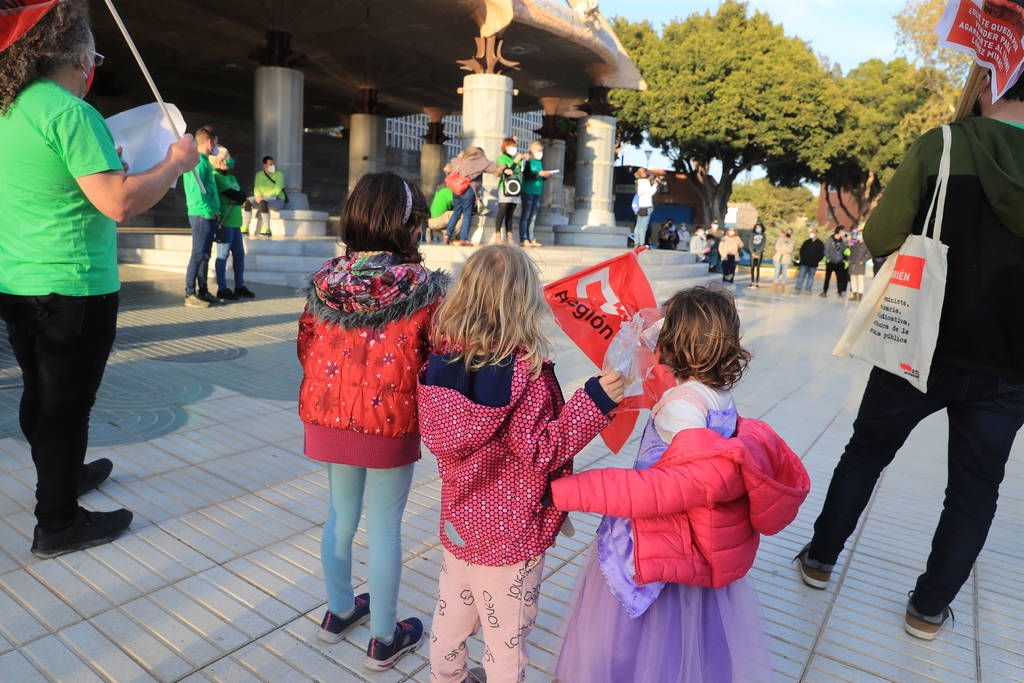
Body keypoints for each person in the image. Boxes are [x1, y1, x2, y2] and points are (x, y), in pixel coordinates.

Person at [796, 73, 1024, 641]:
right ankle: (928, 608)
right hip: (1012, 366)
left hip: (919, 344)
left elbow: (880, 236)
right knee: (975, 490)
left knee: (867, 452)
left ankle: (821, 559)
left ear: (990, 77)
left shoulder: (944, 144)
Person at [0, 0, 199, 558]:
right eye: (96, 57)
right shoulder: (69, 113)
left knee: (42, 394)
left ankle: (60, 477)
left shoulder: (10, 109)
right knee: (66, 404)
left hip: (18, 282)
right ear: (80, 56)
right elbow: (118, 202)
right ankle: (57, 522)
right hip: (74, 287)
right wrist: (175, 163)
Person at [552, 287, 808, 683]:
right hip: (699, 540)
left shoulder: (681, 406)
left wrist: (572, 491)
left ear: (676, 342)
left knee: (638, 636)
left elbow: (675, 484)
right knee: (688, 638)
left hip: (658, 541)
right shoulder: (719, 394)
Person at [419, 245, 625, 683]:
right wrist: (596, 401)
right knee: (506, 639)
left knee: (451, 617)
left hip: (460, 523)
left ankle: (446, 678)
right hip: (512, 533)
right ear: (523, 302)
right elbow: (542, 450)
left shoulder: (440, 364)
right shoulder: (521, 376)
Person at [298, 172, 448, 669]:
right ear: (407, 226)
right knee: (385, 527)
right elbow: (440, 356)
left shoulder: (325, 280)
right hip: (390, 422)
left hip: (329, 418)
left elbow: (305, 345)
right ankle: (384, 637)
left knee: (340, 516)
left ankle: (340, 609)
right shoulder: (424, 289)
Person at [183, 126, 221, 307]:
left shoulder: (204, 161)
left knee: (205, 255)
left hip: (208, 215)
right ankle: (190, 293)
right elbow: (196, 193)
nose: (216, 145)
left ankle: (203, 291)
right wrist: (208, 211)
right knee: (198, 254)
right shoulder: (197, 162)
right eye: (214, 142)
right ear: (209, 142)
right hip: (201, 215)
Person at [210, 146, 254, 300]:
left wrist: (238, 197)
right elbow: (234, 195)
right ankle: (222, 288)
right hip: (225, 221)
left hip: (236, 222)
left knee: (239, 255)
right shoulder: (216, 176)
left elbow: (241, 195)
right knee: (222, 255)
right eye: (228, 156)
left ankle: (239, 286)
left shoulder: (232, 178)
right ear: (220, 160)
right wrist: (238, 197)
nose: (231, 159)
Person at [444, 147, 500, 246]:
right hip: (467, 189)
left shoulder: (461, 159)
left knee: (456, 212)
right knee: (467, 214)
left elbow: (449, 168)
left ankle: (447, 235)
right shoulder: (479, 160)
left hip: (456, 189)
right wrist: (502, 167)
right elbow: (493, 168)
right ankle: (463, 239)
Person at [519, 140, 552, 247]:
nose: (540, 153)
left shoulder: (539, 163)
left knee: (533, 216)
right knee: (526, 215)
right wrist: (538, 174)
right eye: (539, 150)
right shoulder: (528, 162)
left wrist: (545, 175)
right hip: (528, 191)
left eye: (542, 151)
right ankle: (523, 238)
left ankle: (531, 238)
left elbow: (539, 177)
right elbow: (527, 175)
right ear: (532, 150)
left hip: (537, 192)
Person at [243, 155, 285, 238]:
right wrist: (258, 196)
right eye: (270, 164)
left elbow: (277, 189)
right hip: (262, 198)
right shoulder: (259, 175)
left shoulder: (279, 174)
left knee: (263, 201)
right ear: (264, 165)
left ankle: (267, 230)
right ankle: (245, 228)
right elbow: (256, 188)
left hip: (277, 200)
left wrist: (264, 196)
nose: (272, 166)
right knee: (248, 201)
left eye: (273, 164)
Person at [494, 137, 522, 244]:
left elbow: (522, 171)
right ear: (505, 147)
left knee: (510, 213)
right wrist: (515, 161)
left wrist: (522, 161)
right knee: (502, 211)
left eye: (515, 146)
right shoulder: (502, 158)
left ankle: (510, 236)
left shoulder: (517, 159)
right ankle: (498, 235)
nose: (514, 148)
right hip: (505, 188)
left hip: (516, 188)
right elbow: (508, 171)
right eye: (511, 146)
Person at [820, 226, 849, 298]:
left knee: (840, 278)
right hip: (830, 262)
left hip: (839, 262)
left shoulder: (842, 240)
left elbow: (845, 250)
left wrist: (846, 241)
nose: (844, 232)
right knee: (827, 277)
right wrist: (828, 258)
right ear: (839, 231)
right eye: (843, 231)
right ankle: (824, 291)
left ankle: (840, 292)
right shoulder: (830, 239)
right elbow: (826, 249)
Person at [632, 168, 658, 247]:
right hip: (647, 206)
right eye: (645, 171)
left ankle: (636, 242)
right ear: (642, 173)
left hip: (640, 206)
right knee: (643, 226)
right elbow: (650, 193)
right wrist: (655, 185)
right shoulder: (645, 182)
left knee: (638, 226)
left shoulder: (638, 182)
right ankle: (642, 243)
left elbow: (640, 193)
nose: (647, 173)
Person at [795, 229, 824, 294]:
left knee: (811, 277)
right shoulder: (806, 242)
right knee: (801, 276)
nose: (812, 233)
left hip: (813, 264)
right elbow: (801, 251)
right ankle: (798, 288)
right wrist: (802, 258)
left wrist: (817, 260)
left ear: (817, 233)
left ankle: (808, 289)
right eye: (811, 232)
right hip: (804, 263)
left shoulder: (820, 243)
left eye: (813, 232)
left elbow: (822, 254)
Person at [847, 230, 870, 302]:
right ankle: (854, 295)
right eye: (858, 234)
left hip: (860, 265)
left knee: (860, 280)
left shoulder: (866, 244)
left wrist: (863, 261)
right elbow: (851, 252)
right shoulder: (854, 243)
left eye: (860, 234)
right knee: (853, 280)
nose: (859, 236)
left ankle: (860, 296)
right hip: (852, 264)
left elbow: (869, 255)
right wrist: (849, 260)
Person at [771, 228, 795, 294]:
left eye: (790, 232)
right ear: (786, 232)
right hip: (778, 257)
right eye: (788, 231)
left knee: (784, 273)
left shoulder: (792, 241)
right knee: (777, 272)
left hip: (786, 259)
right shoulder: (780, 239)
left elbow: (790, 250)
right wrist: (785, 249)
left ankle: (783, 286)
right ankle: (775, 285)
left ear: (791, 233)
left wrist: (782, 249)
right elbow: (776, 247)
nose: (788, 233)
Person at [747, 222, 767, 288]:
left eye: (759, 227)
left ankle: (757, 282)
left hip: (759, 253)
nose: (758, 228)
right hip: (752, 252)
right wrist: (752, 252)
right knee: (752, 267)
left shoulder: (763, 235)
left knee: (758, 268)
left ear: (762, 228)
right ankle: (752, 282)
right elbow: (750, 243)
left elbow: (763, 245)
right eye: (757, 227)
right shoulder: (752, 234)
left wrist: (758, 252)